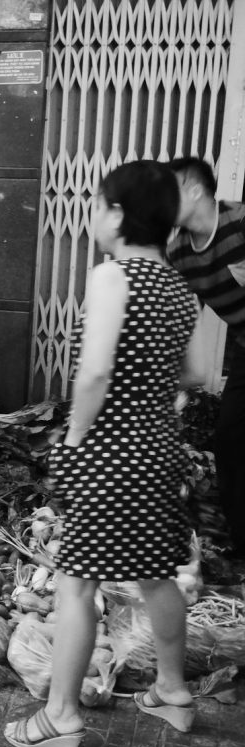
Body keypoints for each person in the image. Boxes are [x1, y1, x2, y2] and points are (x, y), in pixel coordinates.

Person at [4, 160, 207, 747]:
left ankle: (61, 716)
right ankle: (173, 690)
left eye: (97, 204)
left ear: (118, 214)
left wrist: (74, 438)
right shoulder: (177, 285)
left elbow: (93, 372)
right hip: (157, 447)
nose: (93, 214)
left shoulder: (113, 277)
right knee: (155, 572)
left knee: (75, 585)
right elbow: (193, 373)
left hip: (109, 450)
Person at [167, 157, 245, 562]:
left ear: (194, 189)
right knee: (230, 442)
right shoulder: (179, 249)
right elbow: (184, 315)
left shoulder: (240, 221)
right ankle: (240, 547)